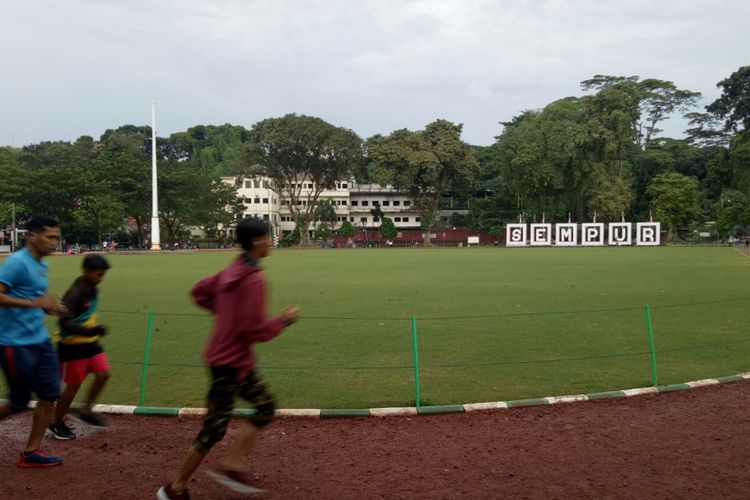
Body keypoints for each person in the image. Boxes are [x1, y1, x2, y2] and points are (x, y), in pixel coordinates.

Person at [157, 218, 300, 500]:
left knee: (265, 407)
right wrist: (283, 321)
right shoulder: (255, 279)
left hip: (229, 360)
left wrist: (224, 314)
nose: (270, 242)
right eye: (268, 237)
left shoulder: (233, 268)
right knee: (214, 428)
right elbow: (254, 331)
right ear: (258, 241)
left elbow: (199, 291)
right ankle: (174, 488)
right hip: (229, 364)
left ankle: (233, 464)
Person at [0, 216, 68, 467]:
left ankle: (31, 452)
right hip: (13, 343)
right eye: (50, 237)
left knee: (50, 393)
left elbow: (36, 301)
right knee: (18, 401)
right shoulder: (16, 263)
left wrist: (52, 309)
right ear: (31, 236)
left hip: (39, 341)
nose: (55, 243)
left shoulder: (41, 266)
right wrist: (36, 303)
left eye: (57, 238)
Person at [48, 254, 111, 440]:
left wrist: (93, 332)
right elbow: (64, 322)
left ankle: (85, 410)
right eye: (99, 274)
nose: (101, 278)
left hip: (90, 343)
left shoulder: (92, 289)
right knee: (73, 386)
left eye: (103, 275)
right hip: (72, 346)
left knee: (104, 374)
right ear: (86, 272)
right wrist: (90, 331)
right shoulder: (75, 293)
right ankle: (56, 422)